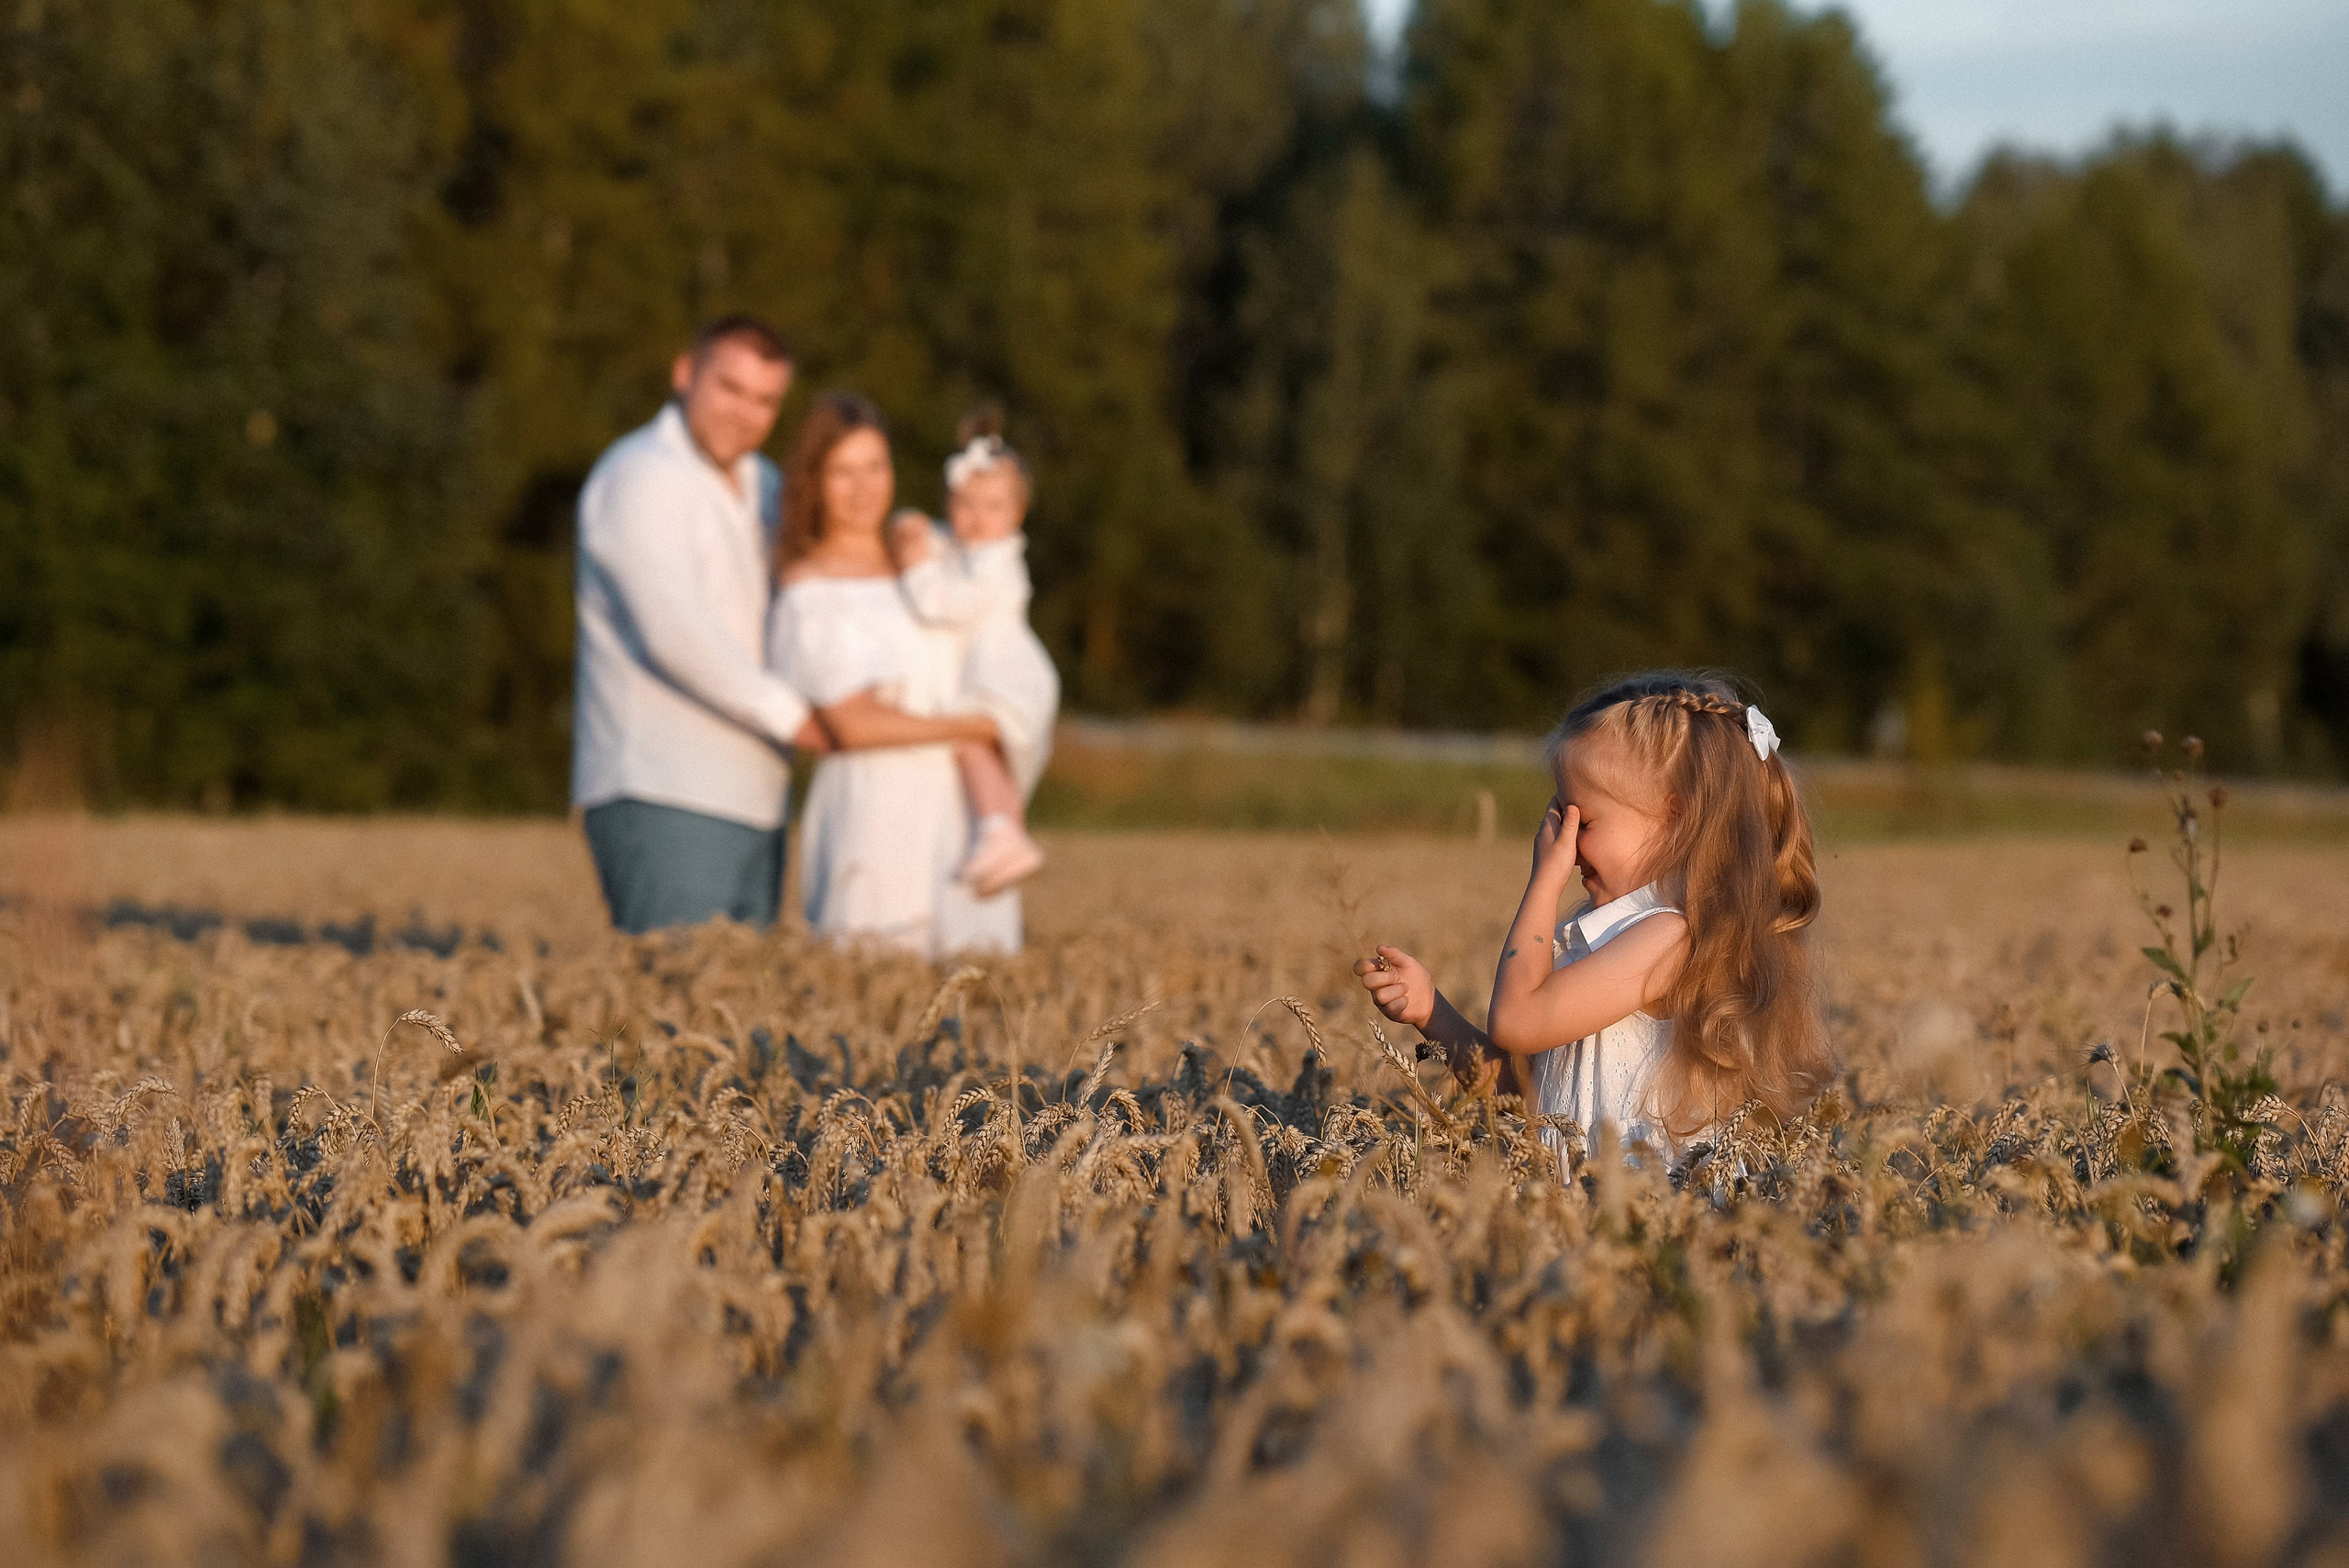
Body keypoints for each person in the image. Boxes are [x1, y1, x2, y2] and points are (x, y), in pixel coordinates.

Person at [1354, 672, 1833, 1169]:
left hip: (1642, 1208)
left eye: (1581, 820)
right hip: (1577, 1208)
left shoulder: (1670, 939)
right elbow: (1523, 1095)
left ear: (1675, 821)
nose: (1561, 836)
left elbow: (1516, 1021)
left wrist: (1545, 878)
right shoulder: (1605, 937)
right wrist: (1432, 1011)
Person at [571, 316, 937, 934]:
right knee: (678, 985)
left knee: (738, 991)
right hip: (667, 788)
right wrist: (802, 720)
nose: (744, 413)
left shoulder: (765, 484)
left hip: (757, 795)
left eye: (765, 400)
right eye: (729, 388)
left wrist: (918, 549)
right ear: (685, 374)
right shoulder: (641, 476)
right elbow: (674, 632)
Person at [766, 395, 1022, 956]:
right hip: (873, 811)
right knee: (876, 974)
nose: (864, 488)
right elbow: (851, 724)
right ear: (813, 482)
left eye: (876, 467)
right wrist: (977, 727)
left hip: (960, 812)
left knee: (977, 980)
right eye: (843, 472)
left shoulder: (930, 556)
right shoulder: (809, 588)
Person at [889, 407, 1060, 896]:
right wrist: (910, 527)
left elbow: (943, 604)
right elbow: (931, 537)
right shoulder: (967, 548)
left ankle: (999, 829)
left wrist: (915, 568)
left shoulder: (999, 564)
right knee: (981, 749)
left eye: (994, 506)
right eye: (965, 504)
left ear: (1017, 514)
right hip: (985, 670)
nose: (978, 518)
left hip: (1003, 673)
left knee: (971, 742)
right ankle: (1004, 831)